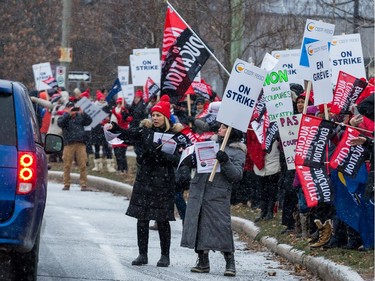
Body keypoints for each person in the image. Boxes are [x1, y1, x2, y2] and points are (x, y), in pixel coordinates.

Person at [107, 95, 184, 267]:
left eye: (158, 115)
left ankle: (165, 255)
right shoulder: (145, 131)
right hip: (145, 180)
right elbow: (127, 135)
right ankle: (143, 254)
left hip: (164, 182)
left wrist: (162, 155)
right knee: (142, 218)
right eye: (153, 115)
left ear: (165, 117)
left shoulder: (174, 135)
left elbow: (179, 158)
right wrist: (115, 127)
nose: (155, 118)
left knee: (163, 219)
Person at [181, 124, 246, 277]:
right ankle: (203, 261)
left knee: (221, 227)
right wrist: (191, 160)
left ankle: (230, 261)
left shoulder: (237, 151)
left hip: (217, 194)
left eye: (223, 128)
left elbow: (237, 175)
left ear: (231, 131)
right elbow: (199, 164)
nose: (219, 130)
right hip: (199, 190)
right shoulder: (208, 145)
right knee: (198, 224)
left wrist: (225, 161)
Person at [58, 101, 93, 191]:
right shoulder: (64, 117)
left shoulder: (80, 117)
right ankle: (66, 184)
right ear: (66, 109)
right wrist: (68, 115)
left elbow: (89, 121)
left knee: (83, 164)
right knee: (67, 165)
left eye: (73, 108)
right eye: (70, 108)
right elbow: (60, 123)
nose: (72, 110)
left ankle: (83, 184)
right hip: (69, 144)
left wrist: (83, 113)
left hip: (80, 143)